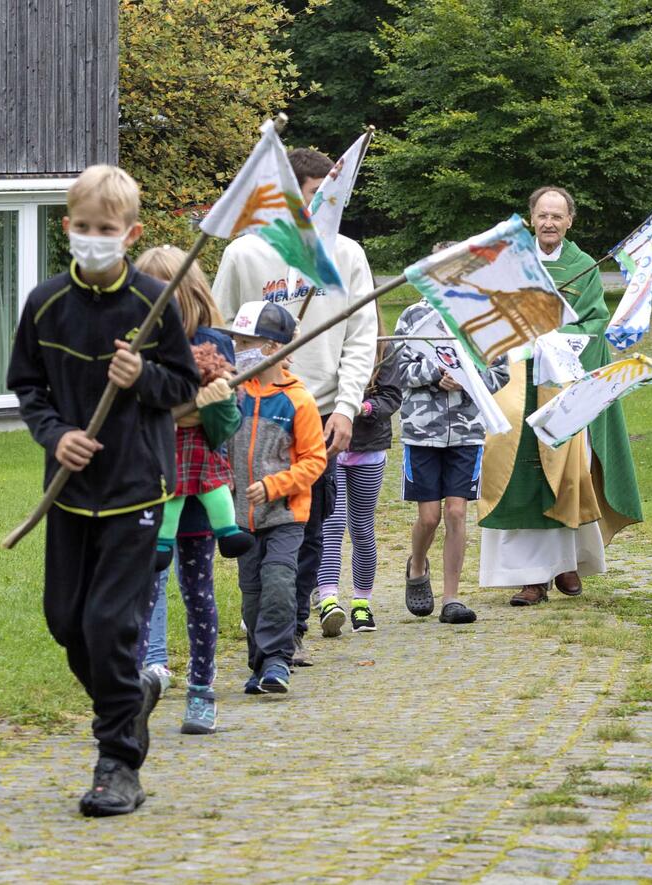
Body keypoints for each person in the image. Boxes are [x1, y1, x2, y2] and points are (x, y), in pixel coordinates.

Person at [6, 165, 198, 816]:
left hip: (136, 490)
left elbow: (184, 387)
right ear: (67, 229)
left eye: (106, 229)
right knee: (66, 620)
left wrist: (143, 373)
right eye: (83, 227)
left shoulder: (153, 302)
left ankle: (118, 761)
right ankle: (130, 696)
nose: (94, 238)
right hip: (67, 491)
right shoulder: (45, 303)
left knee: (109, 623)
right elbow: (28, 387)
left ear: (130, 232)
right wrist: (55, 434)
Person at [213, 148, 377, 665]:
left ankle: (292, 628)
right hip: (254, 413)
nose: (317, 209)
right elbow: (220, 332)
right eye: (309, 198)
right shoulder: (245, 254)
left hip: (318, 414)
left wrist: (347, 407)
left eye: (326, 199)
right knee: (254, 528)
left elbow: (361, 336)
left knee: (307, 528)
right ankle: (262, 621)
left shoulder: (347, 255)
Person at [478, 187, 642, 604]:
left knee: (569, 473)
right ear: (531, 218)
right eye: (542, 215)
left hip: (563, 384)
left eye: (557, 216)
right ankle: (531, 577)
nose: (549, 222)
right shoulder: (512, 262)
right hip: (517, 382)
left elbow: (593, 325)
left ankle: (567, 564)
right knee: (521, 472)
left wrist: (552, 338)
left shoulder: (582, 266)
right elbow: (491, 316)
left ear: (570, 221)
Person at [133, 245, 245, 734]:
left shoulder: (215, 343)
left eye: (166, 291)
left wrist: (215, 405)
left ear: (190, 291)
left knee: (198, 592)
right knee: (143, 590)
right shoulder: (132, 347)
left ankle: (202, 690)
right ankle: (136, 687)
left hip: (201, 488)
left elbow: (226, 429)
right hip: (146, 488)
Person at [224, 302, 327, 693]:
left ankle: (278, 661)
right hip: (242, 517)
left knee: (280, 582)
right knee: (252, 594)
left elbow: (315, 460)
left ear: (271, 348)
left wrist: (274, 485)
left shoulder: (298, 400)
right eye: (236, 339)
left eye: (246, 341)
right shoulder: (232, 393)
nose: (237, 347)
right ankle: (259, 664)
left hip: (285, 515)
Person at [395, 277, 510, 624]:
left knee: (457, 513)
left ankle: (451, 598)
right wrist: (436, 373)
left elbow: (500, 373)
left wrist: (466, 377)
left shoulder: (483, 318)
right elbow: (399, 370)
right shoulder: (413, 317)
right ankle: (417, 566)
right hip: (422, 431)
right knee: (429, 517)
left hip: (466, 431)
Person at [314, 303, 402, 634]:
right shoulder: (326, 344)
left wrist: (359, 406)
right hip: (330, 447)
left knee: (362, 528)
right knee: (331, 525)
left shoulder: (385, 346)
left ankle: (362, 603)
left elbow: (392, 398)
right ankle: (328, 600)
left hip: (368, 447)